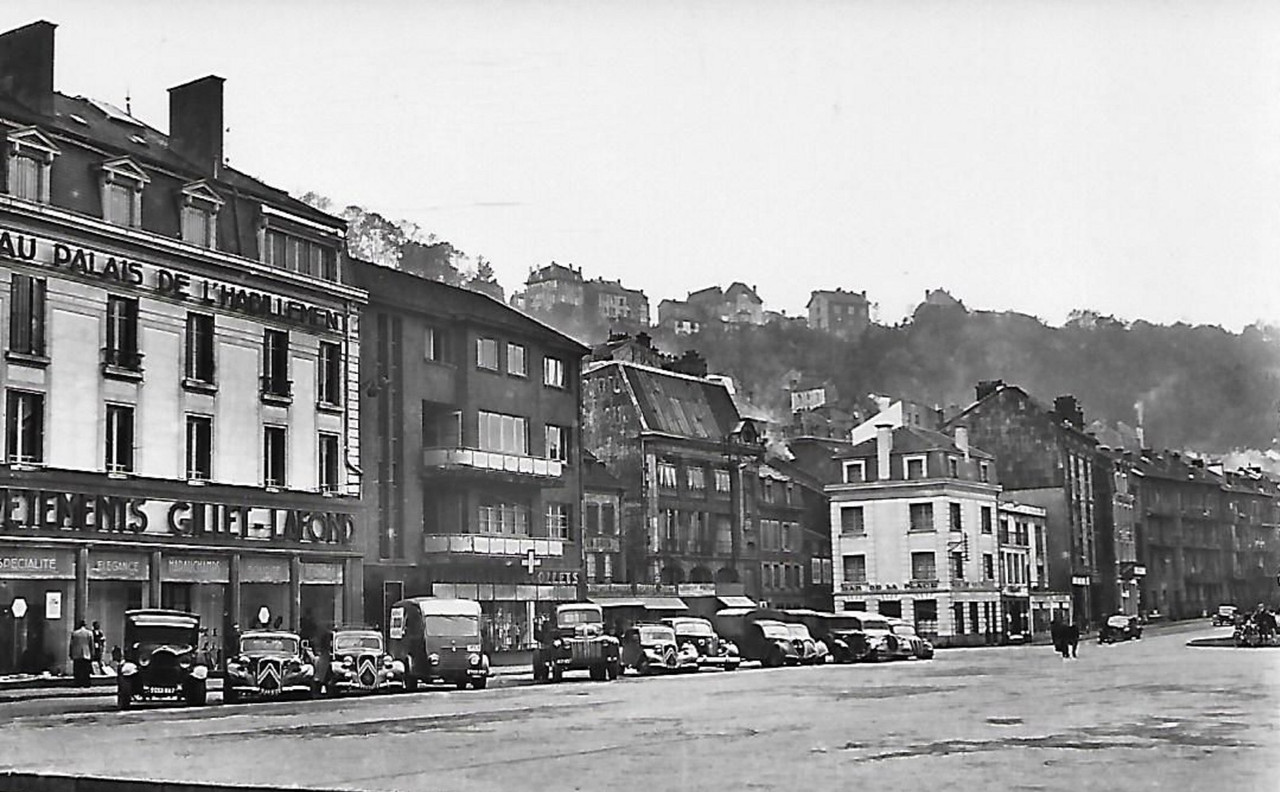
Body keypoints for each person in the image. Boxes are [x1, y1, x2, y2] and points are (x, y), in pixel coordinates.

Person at [69, 621, 95, 686]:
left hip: (76, 654)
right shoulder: (89, 633)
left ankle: (77, 682)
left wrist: (71, 653)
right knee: (86, 670)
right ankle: (86, 683)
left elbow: (71, 644)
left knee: (78, 669)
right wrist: (92, 653)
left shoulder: (74, 633)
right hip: (86, 653)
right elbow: (91, 644)